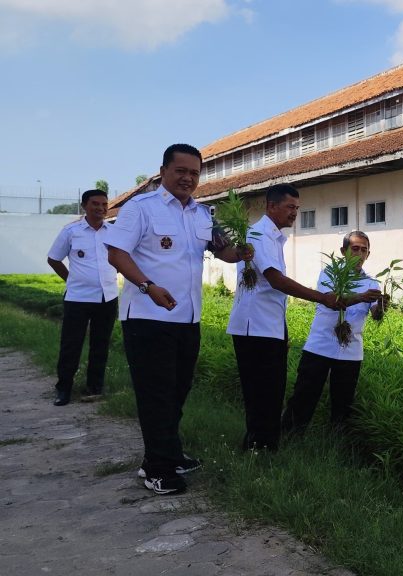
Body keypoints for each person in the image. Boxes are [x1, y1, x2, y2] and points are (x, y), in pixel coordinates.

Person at [105, 143, 250, 495]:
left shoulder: (202, 214)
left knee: (177, 390)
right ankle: (158, 469)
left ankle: (167, 453)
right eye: (181, 171)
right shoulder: (142, 208)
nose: (188, 178)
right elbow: (116, 252)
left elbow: (222, 251)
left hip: (188, 317)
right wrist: (147, 285)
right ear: (163, 172)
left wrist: (241, 251)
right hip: (147, 317)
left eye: (194, 173)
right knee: (156, 393)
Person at [227, 184, 341, 451]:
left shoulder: (273, 237)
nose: (295, 213)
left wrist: (283, 330)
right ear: (271, 206)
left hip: (268, 326)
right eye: (290, 207)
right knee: (261, 391)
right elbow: (276, 280)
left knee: (272, 390)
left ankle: (262, 445)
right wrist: (321, 297)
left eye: (297, 208)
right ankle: (258, 447)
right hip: (253, 327)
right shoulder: (259, 235)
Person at [280, 231, 382, 434]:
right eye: (355, 249)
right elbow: (333, 301)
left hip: (350, 351)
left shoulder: (372, 283)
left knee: (343, 404)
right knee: (304, 396)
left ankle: (335, 444)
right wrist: (361, 297)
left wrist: (381, 308)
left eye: (364, 250)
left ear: (368, 254)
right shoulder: (329, 273)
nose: (360, 254)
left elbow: (376, 315)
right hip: (320, 345)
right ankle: (288, 437)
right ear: (344, 251)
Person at [46, 189, 119, 406]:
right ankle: (63, 389)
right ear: (84, 206)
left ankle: (94, 387)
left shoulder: (113, 232)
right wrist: (70, 279)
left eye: (104, 204)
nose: (100, 208)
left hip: (107, 297)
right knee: (71, 344)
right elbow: (53, 259)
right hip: (77, 298)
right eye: (95, 204)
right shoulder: (71, 231)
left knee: (101, 344)